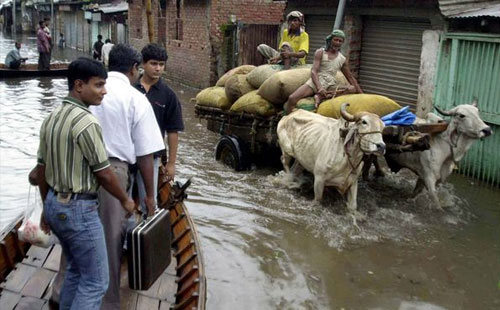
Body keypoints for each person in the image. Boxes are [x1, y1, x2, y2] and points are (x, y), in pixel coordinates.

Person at [35, 57, 135, 310]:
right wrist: (125, 199)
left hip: (56, 205)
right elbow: (104, 173)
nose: (104, 91)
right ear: (79, 86)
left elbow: (40, 172)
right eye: (99, 85)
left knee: (76, 272)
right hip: (79, 211)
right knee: (96, 282)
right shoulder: (87, 122)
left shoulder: (52, 118)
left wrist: (47, 209)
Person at [89, 44, 165, 310]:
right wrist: (150, 197)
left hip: (80, 169)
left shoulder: (89, 90)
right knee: (111, 240)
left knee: (79, 235)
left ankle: (60, 292)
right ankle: (108, 303)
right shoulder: (135, 98)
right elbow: (146, 155)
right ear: (134, 68)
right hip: (113, 172)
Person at [134, 43, 184, 214]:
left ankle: (147, 228)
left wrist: (171, 163)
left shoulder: (168, 95)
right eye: (153, 64)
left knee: (149, 201)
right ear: (143, 64)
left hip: (152, 157)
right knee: (122, 200)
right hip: (126, 154)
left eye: (161, 65)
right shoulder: (131, 89)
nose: (158, 68)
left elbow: (173, 131)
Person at [284, 30, 363, 114]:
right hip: (315, 82)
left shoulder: (342, 59)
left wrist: (363, 95)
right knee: (292, 98)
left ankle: (321, 97)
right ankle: (288, 119)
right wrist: (319, 88)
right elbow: (314, 71)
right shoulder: (320, 52)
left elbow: (350, 78)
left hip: (330, 84)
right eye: (335, 40)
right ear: (330, 40)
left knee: (352, 88)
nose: (337, 43)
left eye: (340, 41)